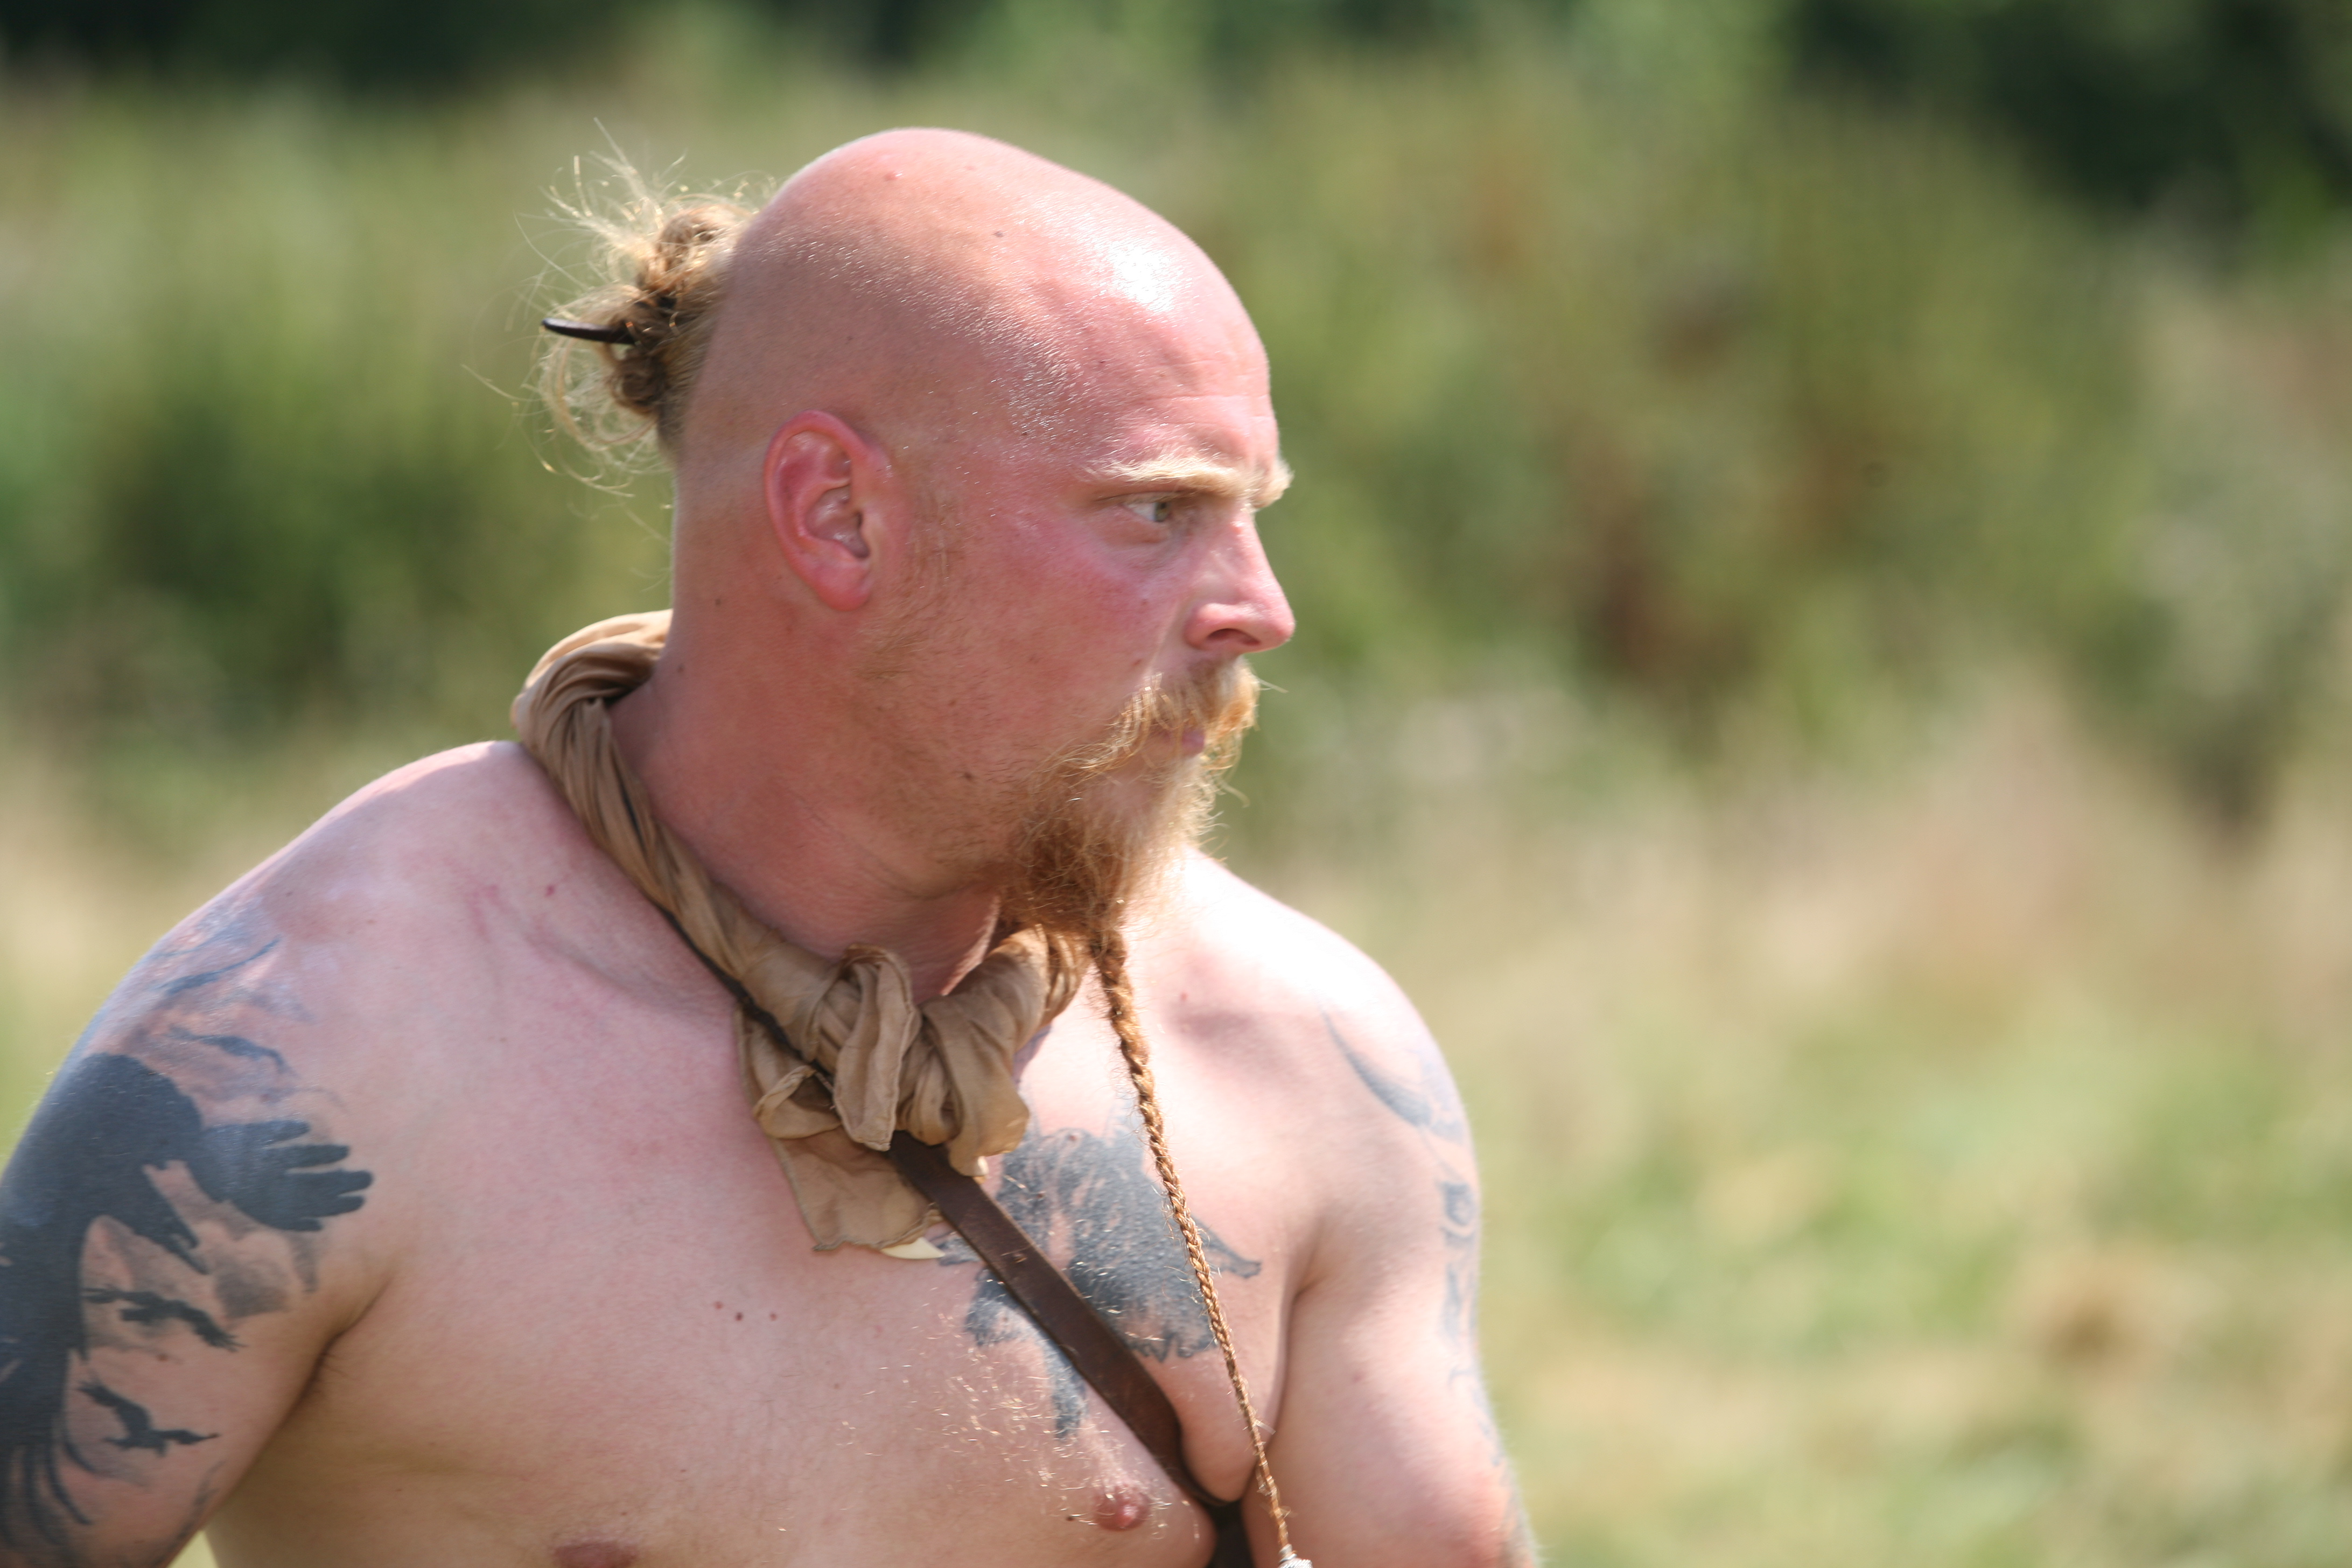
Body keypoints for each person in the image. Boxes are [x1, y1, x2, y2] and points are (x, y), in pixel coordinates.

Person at [0, 129, 1533, 1568]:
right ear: (838, 514)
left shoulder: (1301, 1058)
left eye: (1250, 513)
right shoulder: (312, 1044)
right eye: (1157, 511)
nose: (1262, 608)